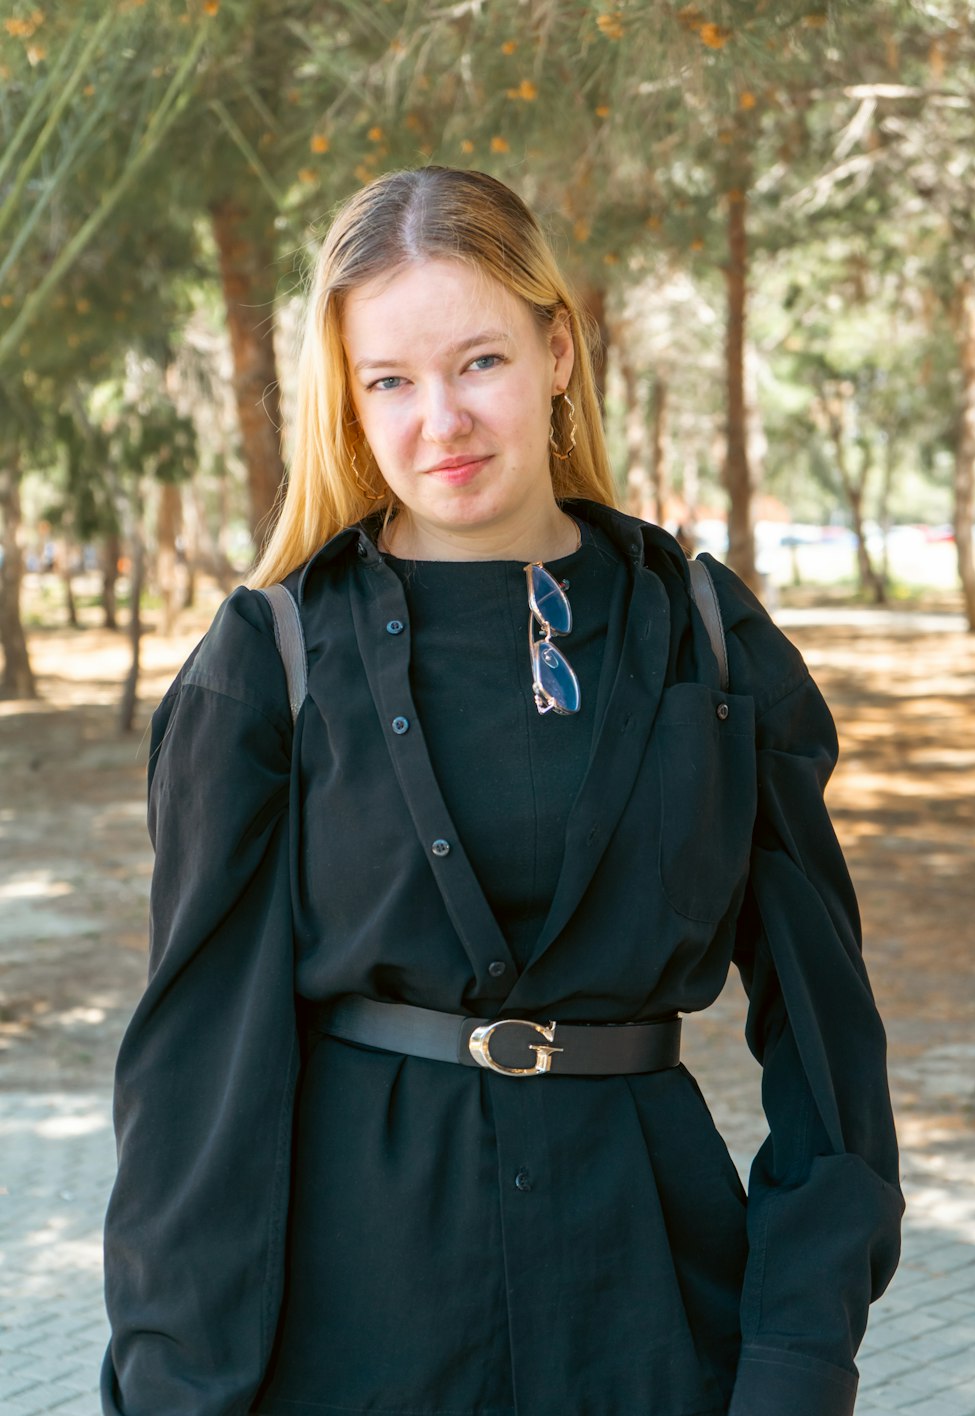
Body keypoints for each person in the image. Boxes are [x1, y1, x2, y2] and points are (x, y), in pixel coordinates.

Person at [101, 166, 902, 1416]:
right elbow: (198, 1095)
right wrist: (175, 1391)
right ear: (349, 402)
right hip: (351, 1340)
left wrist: (797, 1359)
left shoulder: (709, 644)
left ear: (558, 350)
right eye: (391, 382)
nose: (441, 421)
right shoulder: (266, 665)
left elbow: (826, 1045)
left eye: (478, 361)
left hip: (652, 1325)